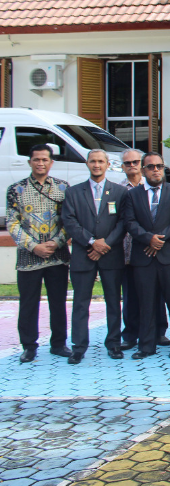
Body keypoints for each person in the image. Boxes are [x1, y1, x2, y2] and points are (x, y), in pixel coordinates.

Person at [61, 149, 126, 363]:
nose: (96, 165)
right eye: (92, 161)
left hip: (111, 254)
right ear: (87, 164)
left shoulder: (119, 192)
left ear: (107, 164)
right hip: (83, 254)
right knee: (80, 303)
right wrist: (92, 242)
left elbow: (123, 222)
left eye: (100, 161)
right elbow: (69, 221)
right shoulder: (73, 192)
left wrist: (105, 244)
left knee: (113, 301)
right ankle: (78, 347)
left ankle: (114, 343)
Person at [122, 152, 170, 360]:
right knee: (146, 303)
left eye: (159, 166)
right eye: (150, 167)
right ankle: (146, 346)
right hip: (143, 256)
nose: (156, 170)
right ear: (143, 170)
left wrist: (159, 239)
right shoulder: (132, 195)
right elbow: (130, 222)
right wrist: (148, 239)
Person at [9, 144, 71, 363]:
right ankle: (29, 346)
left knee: (58, 302)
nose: (41, 163)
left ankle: (59, 344)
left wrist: (56, 242)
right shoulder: (16, 189)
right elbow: (12, 223)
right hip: (28, 257)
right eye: (36, 159)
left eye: (45, 159)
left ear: (51, 162)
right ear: (30, 162)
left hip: (57, 256)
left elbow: (69, 220)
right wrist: (34, 246)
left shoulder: (63, 188)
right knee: (28, 303)